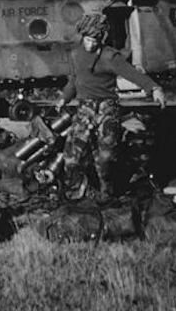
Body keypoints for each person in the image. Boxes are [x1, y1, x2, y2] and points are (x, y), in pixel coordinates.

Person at [55, 11, 166, 197]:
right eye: (88, 40)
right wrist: (64, 98)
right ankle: (79, 188)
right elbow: (74, 80)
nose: (90, 44)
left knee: (106, 157)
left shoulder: (110, 56)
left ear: (101, 38)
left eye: (95, 41)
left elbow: (133, 73)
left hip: (107, 107)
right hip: (85, 108)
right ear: (83, 36)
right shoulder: (75, 54)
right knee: (71, 157)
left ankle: (107, 189)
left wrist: (154, 88)